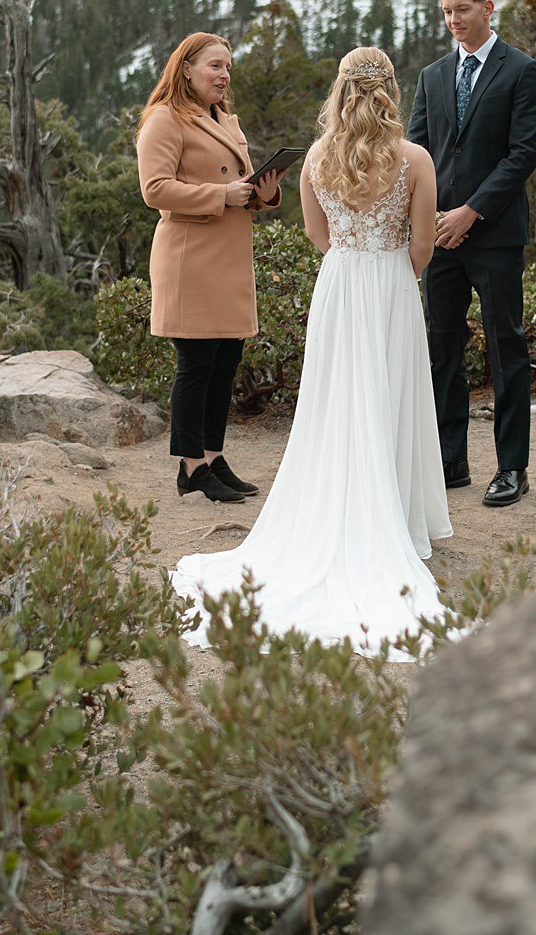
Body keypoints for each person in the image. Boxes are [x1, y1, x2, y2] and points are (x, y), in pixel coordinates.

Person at [172, 47, 452, 653]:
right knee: (392, 393)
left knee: (335, 403)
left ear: (339, 91)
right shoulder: (415, 159)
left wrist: (353, 263)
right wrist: (394, 276)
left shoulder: (318, 158)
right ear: (391, 92)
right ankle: (400, 520)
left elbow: (316, 235)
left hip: (340, 284)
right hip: (391, 284)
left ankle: (341, 510)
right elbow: (424, 242)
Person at [408, 0, 536, 508]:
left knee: (505, 346)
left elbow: (522, 155)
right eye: (446, 13)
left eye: (461, 10)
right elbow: (416, 154)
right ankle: (451, 461)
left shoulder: (523, 71)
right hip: (440, 236)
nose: (453, 21)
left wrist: (472, 212)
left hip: (493, 234)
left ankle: (512, 467)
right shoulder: (432, 76)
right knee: (441, 349)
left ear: (488, 8)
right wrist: (433, 218)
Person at [137, 32, 284, 504]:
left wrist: (263, 192)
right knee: (196, 363)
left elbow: (237, 185)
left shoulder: (224, 118)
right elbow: (155, 189)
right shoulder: (164, 118)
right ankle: (190, 465)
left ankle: (213, 456)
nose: (224, 76)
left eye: (228, 68)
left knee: (226, 362)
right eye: (215, 67)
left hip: (227, 254)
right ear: (186, 69)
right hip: (191, 255)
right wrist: (220, 195)